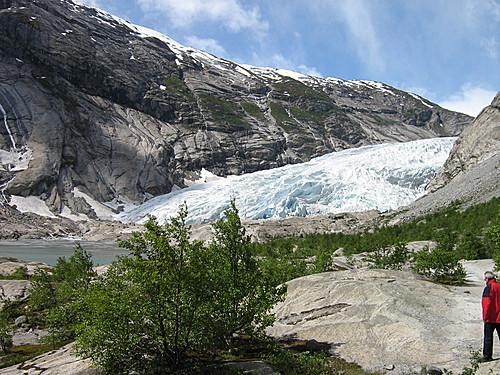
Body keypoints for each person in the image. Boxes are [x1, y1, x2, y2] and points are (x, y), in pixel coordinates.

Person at [481, 271, 500, 362]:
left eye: (485, 279)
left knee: (488, 338)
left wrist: (485, 317)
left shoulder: (488, 287)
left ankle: (487, 356)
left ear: (487, 279)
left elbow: (486, 304)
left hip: (491, 318)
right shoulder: (499, 286)